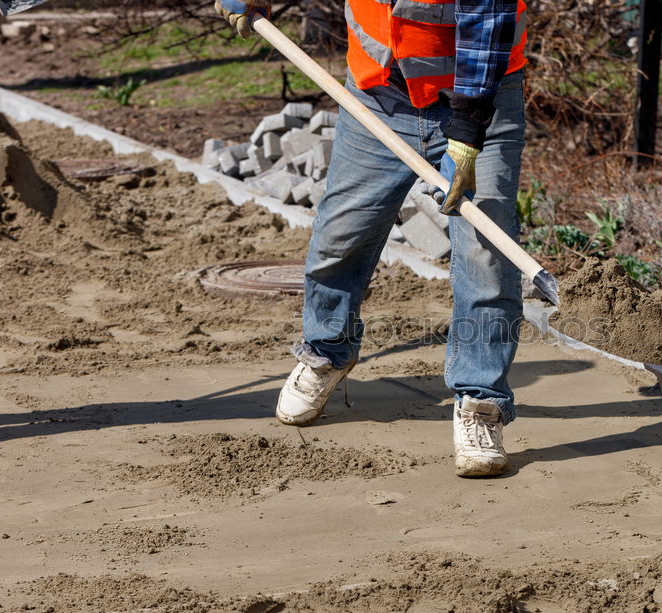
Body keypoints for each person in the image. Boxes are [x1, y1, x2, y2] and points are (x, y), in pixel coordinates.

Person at [216, 0, 527, 478]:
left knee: (485, 253)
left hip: (479, 100)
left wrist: (467, 129)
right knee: (342, 233)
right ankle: (327, 351)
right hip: (378, 94)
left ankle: (480, 400)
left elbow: (487, 18)